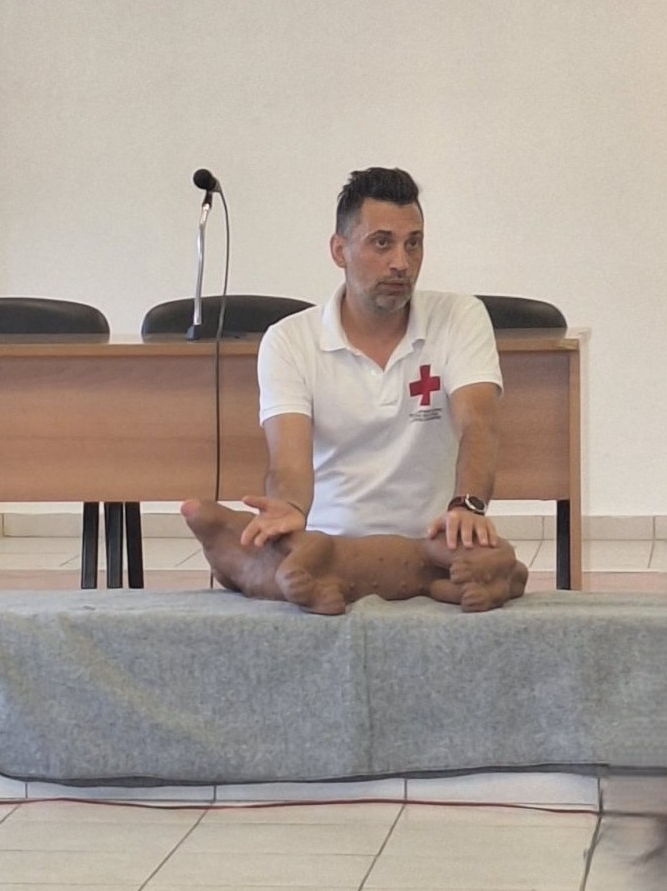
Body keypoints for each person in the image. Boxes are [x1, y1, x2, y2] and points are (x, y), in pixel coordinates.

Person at [241, 166, 503, 555]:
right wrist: (290, 507)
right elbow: (288, 459)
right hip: (329, 545)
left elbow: (478, 424)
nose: (401, 262)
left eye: (413, 244)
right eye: (382, 243)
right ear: (339, 251)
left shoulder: (460, 317)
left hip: (435, 541)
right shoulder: (289, 340)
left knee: (497, 566)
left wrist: (467, 506)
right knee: (266, 558)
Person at [182, 499, 528, 615]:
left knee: (445, 552)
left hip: (415, 551)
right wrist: (317, 597)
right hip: (419, 584)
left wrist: (291, 572)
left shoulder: (278, 545)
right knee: (447, 591)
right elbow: (331, 604)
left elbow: (320, 545)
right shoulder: (240, 576)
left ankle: (499, 563)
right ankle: (497, 589)